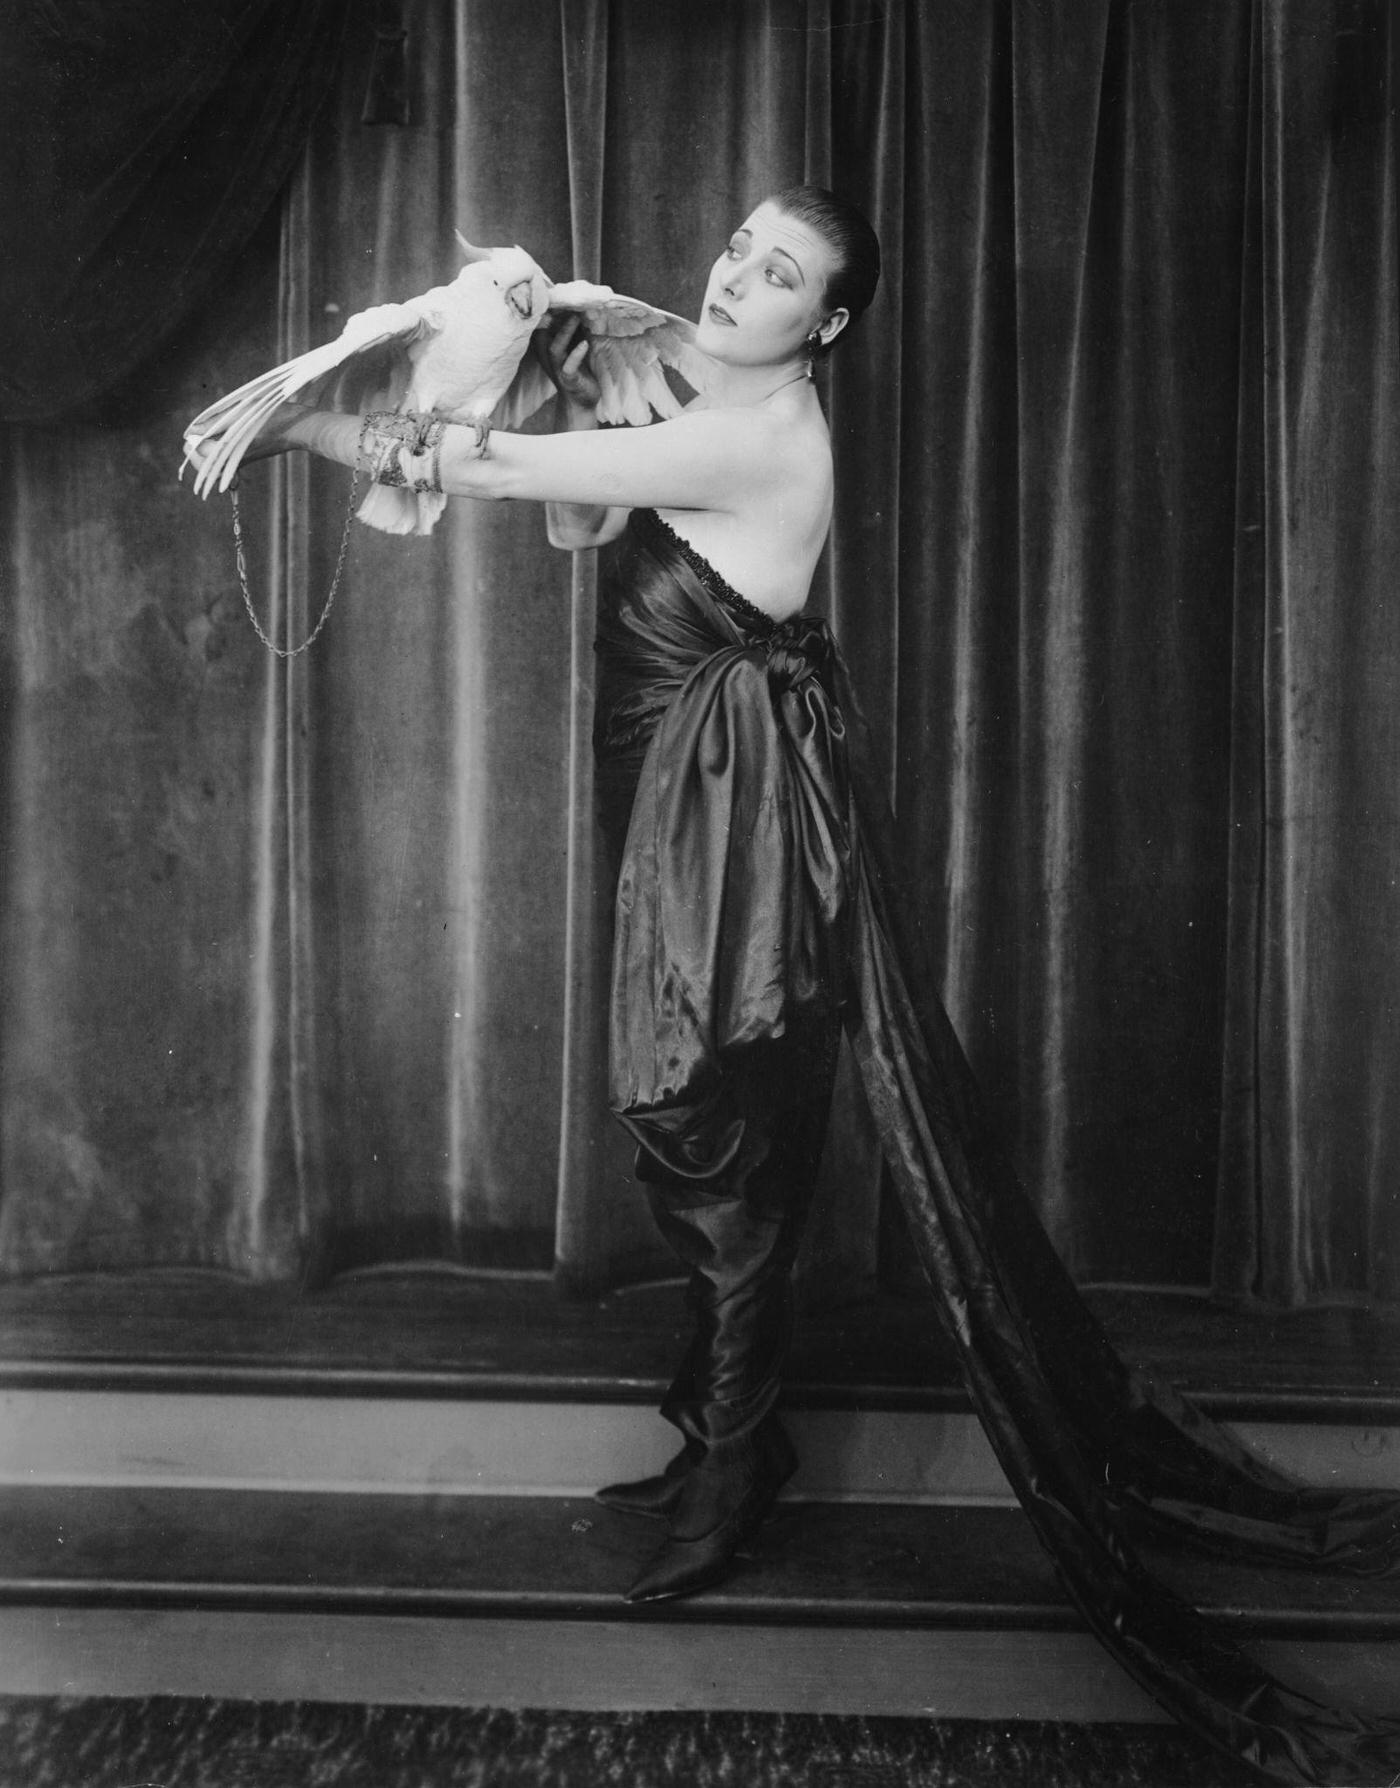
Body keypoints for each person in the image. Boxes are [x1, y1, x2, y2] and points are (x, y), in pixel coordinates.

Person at [192, 187, 1400, 1784]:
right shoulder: (700, 368)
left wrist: (295, 433)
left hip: (741, 787)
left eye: (781, 276)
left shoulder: (765, 436)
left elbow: (499, 472)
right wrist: (529, 338)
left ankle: (737, 1463)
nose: (738, 276)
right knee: (704, 1104)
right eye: (744, 248)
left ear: (824, 325)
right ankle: (726, 1435)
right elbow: (575, 446)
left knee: (706, 1099)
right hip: (672, 766)